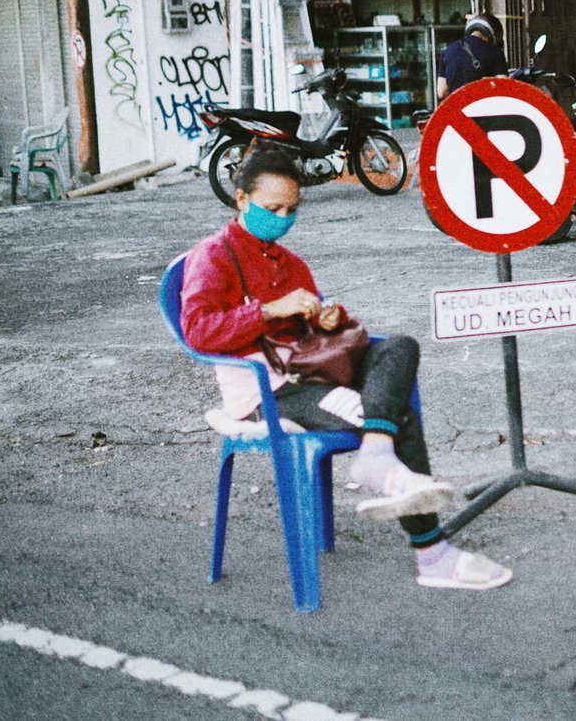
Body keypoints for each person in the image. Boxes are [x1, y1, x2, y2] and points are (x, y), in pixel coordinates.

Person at [180, 144, 512, 590]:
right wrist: (269, 310)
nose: (281, 218)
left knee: (400, 347)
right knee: (398, 416)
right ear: (241, 200)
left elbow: (311, 328)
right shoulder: (214, 254)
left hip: (308, 373)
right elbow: (198, 330)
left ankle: (375, 457)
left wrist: (326, 318)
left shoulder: (289, 261)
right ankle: (432, 554)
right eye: (271, 207)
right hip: (267, 391)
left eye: (291, 209)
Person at [436, 12, 509, 100]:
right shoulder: (495, 51)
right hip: (485, 108)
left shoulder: (447, 51)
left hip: (457, 109)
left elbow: (442, 92)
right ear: (491, 34)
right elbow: (503, 87)